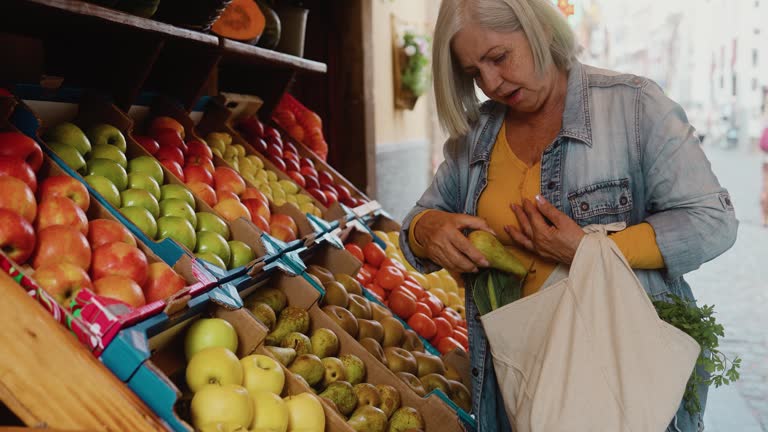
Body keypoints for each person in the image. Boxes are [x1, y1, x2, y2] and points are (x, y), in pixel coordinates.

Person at [398, 1, 738, 431]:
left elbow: (712, 221)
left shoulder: (633, 107)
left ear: (538, 28)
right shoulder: (475, 137)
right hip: (516, 388)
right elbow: (416, 223)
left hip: (620, 381)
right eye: (473, 73)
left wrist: (593, 250)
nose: (491, 84)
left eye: (499, 58)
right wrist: (427, 229)